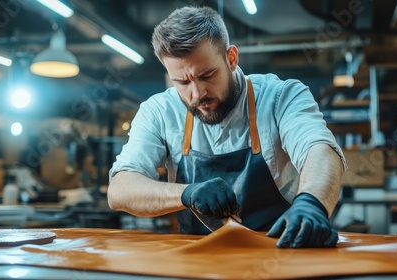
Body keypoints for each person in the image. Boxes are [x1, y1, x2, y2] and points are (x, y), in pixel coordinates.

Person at [108, 6, 346, 248]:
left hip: (280, 252)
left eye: (208, 75)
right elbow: (120, 189)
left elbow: (320, 150)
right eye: (182, 82)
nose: (197, 93)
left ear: (231, 58)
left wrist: (311, 203)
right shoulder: (159, 111)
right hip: (198, 261)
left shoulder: (281, 97)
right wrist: (186, 193)